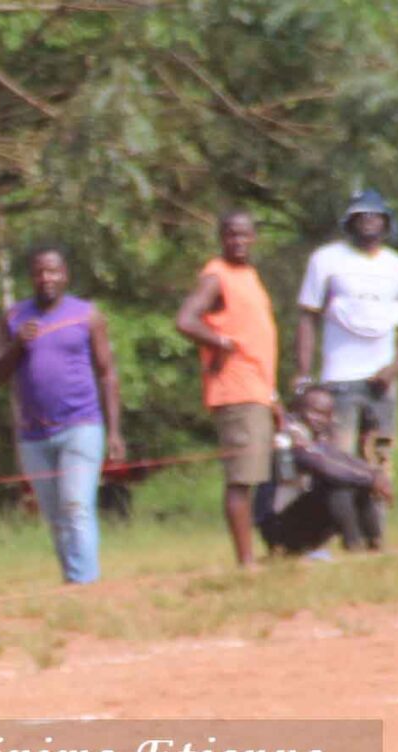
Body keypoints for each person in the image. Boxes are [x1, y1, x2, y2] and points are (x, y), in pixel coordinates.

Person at [0, 247, 125, 585]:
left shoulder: (86, 315)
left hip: (81, 425)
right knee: (55, 516)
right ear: (31, 277)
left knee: (76, 506)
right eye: (39, 272)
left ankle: (84, 584)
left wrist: (115, 432)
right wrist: (17, 344)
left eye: (53, 271)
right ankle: (72, 581)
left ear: (65, 275)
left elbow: (107, 374)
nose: (46, 278)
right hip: (34, 434)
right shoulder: (14, 317)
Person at [175, 210, 282, 569]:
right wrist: (220, 342)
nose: (239, 241)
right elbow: (185, 320)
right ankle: (246, 562)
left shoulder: (249, 275)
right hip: (235, 389)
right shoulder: (216, 276)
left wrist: (272, 395)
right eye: (231, 235)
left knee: (257, 475)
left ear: (254, 238)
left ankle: (266, 550)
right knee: (240, 480)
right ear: (221, 238)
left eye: (244, 234)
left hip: (257, 388)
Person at [296, 188, 398, 482]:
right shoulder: (326, 260)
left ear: (386, 222)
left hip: (381, 381)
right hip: (339, 378)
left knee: (380, 457)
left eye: (375, 216)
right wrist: (303, 373)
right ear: (350, 222)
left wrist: (393, 369)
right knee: (341, 461)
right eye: (361, 215)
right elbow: (307, 318)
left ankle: (376, 512)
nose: (369, 221)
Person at [256, 386, 391, 558]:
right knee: (340, 484)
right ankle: (353, 545)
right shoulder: (288, 436)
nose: (318, 419)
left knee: (356, 480)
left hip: (302, 518)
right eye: (313, 412)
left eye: (325, 414)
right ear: (297, 410)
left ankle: (374, 543)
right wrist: (371, 478)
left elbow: (342, 460)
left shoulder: (319, 435)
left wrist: (374, 474)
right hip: (279, 526)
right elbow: (321, 465)